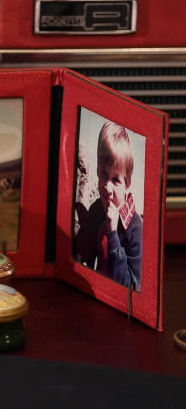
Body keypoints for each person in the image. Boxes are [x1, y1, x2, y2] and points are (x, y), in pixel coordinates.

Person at [74, 121, 143, 290]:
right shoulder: (97, 209)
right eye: (103, 175)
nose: (107, 187)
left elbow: (132, 288)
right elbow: (84, 257)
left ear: (127, 183)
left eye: (116, 180)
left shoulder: (135, 229)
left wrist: (113, 235)